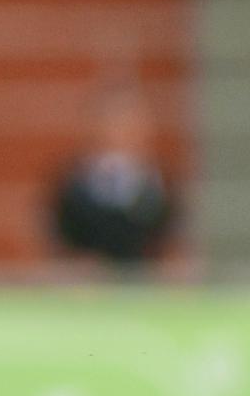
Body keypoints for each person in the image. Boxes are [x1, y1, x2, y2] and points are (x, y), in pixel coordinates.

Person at [48, 77, 176, 274]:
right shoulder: (74, 182)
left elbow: (171, 238)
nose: (123, 131)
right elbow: (56, 235)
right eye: (115, 122)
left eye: (131, 122)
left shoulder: (160, 181)